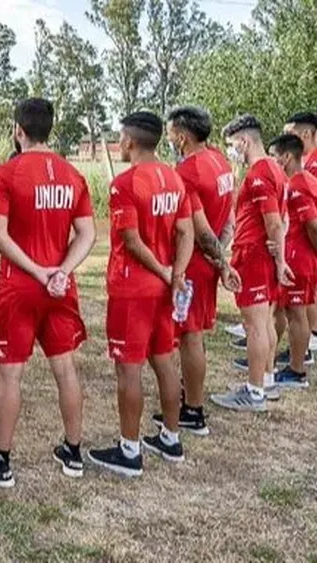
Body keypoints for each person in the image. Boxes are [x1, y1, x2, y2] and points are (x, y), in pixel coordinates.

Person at [0, 98, 95, 487]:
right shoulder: (72, 175)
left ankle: (0, 459)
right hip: (58, 287)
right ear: (49, 129)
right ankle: (73, 451)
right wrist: (62, 272)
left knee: (10, 374)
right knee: (65, 369)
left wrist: (39, 271)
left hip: (20, 286)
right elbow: (87, 233)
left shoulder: (6, 174)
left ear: (17, 130)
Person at [87, 111, 194, 476]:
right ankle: (170, 436)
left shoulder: (125, 184)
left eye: (120, 138)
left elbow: (131, 241)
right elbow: (185, 232)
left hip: (133, 288)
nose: (119, 143)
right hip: (164, 288)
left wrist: (167, 271)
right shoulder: (174, 178)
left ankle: (129, 449)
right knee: (164, 359)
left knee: (128, 368)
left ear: (130, 142)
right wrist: (176, 273)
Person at [154, 106, 239, 436]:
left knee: (190, 337)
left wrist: (221, 261)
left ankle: (192, 410)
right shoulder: (219, 160)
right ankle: (190, 399)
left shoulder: (187, 171)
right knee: (194, 335)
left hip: (193, 265)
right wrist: (224, 255)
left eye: (172, 132)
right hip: (209, 263)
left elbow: (201, 232)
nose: (170, 138)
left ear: (183, 136)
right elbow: (227, 216)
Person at [210, 115, 291, 412]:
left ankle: (254, 391)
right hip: (261, 254)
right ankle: (265, 380)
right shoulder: (275, 168)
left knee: (254, 326)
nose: (231, 151)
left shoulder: (259, 174)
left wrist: (280, 259)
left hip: (254, 256)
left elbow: (273, 221)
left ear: (244, 141)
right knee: (265, 322)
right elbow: (282, 220)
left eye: (232, 145)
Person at [269, 133, 317, 388]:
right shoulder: (307, 180)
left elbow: (313, 224)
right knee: (287, 310)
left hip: (300, 258)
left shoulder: (299, 186)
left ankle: (297, 369)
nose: (273, 162)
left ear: (287, 157)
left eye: (275, 157)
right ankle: (284, 361)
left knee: (297, 313)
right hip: (298, 256)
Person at [283, 112, 317, 349]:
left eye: (291, 134)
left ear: (306, 133)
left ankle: (310, 340)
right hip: (304, 240)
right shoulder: (308, 162)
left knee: (305, 297)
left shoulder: (313, 164)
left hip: (307, 242)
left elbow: (312, 219)